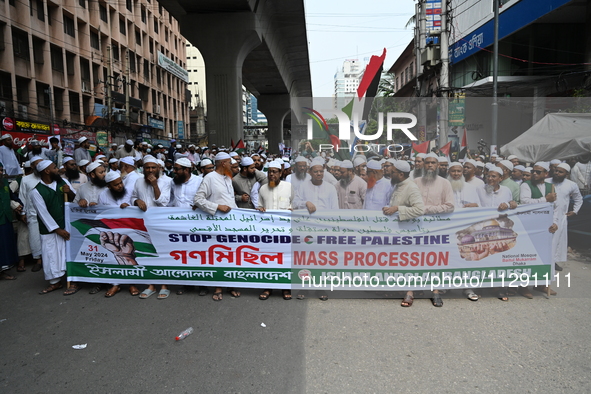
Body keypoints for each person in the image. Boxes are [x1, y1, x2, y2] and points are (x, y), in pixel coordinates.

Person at [193, 152, 240, 301]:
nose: (232, 166)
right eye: (230, 163)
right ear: (223, 164)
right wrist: (217, 206)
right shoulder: (209, 178)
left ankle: (231, 285)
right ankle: (218, 287)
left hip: (232, 225)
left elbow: (230, 201)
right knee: (219, 256)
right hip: (217, 225)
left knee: (232, 256)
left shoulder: (228, 178)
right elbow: (198, 199)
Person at [30, 161, 77, 295]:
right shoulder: (36, 192)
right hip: (51, 231)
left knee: (69, 253)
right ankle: (55, 282)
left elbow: (74, 198)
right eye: (55, 168)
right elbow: (43, 214)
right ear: (47, 171)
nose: (58, 170)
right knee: (51, 255)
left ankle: (73, 280)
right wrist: (57, 230)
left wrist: (70, 193)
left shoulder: (62, 182)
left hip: (67, 226)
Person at [413, 153, 454, 307]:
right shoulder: (415, 182)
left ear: (437, 165)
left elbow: (450, 206)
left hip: (437, 229)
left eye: (433, 163)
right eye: (427, 162)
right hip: (416, 228)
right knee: (416, 259)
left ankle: (435, 291)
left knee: (434, 260)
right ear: (423, 165)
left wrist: (426, 209)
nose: (430, 165)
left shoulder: (445, 184)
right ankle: (412, 290)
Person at [382, 160, 425, 307]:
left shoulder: (411, 187)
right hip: (396, 231)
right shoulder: (397, 185)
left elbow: (420, 209)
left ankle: (409, 292)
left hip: (408, 232)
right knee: (397, 261)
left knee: (409, 262)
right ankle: (396, 288)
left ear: (401, 174)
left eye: (392, 172)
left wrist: (398, 209)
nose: (390, 173)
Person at [131, 157, 172, 300]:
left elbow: (163, 202)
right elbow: (133, 197)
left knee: (162, 254)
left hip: (161, 224)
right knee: (148, 253)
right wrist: (137, 201)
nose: (150, 171)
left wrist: (155, 185)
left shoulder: (166, 182)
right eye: (147, 168)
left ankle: (165, 285)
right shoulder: (138, 181)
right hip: (143, 224)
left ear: (159, 168)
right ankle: (151, 284)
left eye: (153, 168)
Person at [519, 162, 558, 297]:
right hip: (529, 226)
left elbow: (555, 208)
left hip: (545, 228)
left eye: (538, 172)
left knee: (544, 256)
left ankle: (541, 284)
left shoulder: (551, 187)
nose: (534, 174)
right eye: (533, 171)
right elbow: (524, 203)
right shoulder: (526, 185)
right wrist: (545, 199)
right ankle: (523, 286)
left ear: (546, 174)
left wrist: (555, 223)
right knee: (525, 256)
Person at [257, 162, 294, 301]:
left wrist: (292, 210)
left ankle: (286, 288)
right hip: (268, 233)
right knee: (269, 260)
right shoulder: (262, 189)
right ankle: (268, 287)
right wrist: (259, 209)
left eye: (275, 171)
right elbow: (259, 206)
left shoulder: (289, 187)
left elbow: (295, 204)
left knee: (285, 260)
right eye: (269, 172)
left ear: (281, 172)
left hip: (285, 232)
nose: (272, 174)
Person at [550, 163, 583, 272]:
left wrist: (574, 211)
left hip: (560, 218)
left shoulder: (571, 185)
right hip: (546, 216)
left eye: (560, 172)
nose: (557, 173)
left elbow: (579, 199)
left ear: (567, 174)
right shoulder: (547, 182)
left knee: (556, 241)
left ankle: (552, 262)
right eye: (556, 170)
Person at [0, 162, 24, 280]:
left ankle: (3, 270)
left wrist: (20, 205)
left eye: (1, 170)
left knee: (6, 245)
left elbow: (11, 196)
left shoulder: (4, 182)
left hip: (6, 218)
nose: (0, 173)